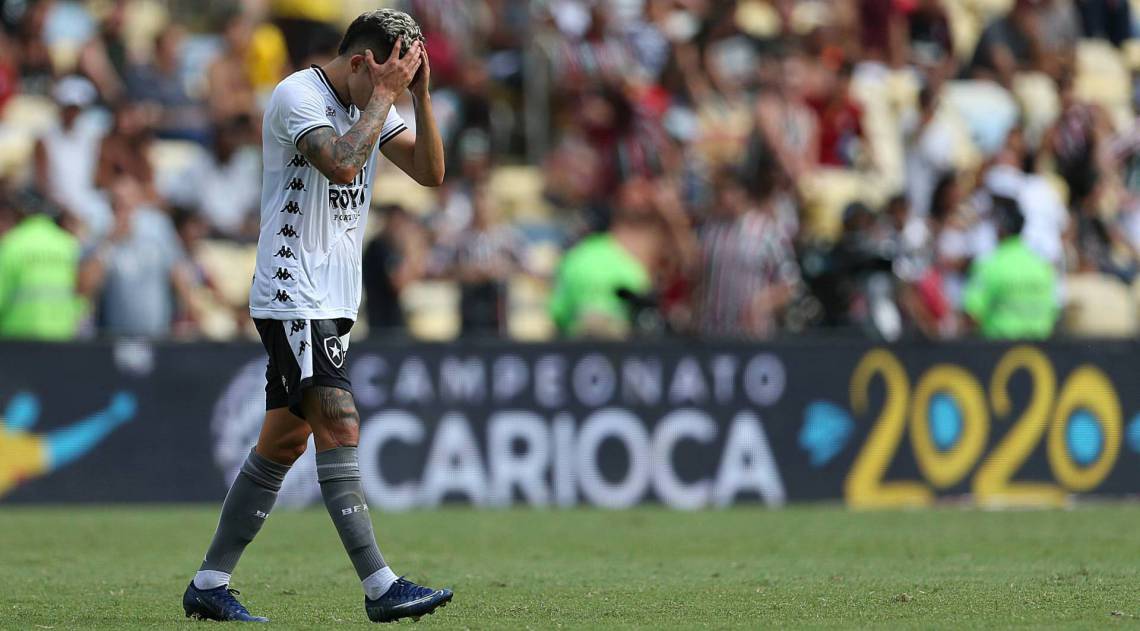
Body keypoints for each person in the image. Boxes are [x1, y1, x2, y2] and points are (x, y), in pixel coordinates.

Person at [181, 10, 450, 624]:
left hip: (332, 300)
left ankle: (209, 583)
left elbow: (431, 173)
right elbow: (344, 163)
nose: (390, 92)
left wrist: (420, 98)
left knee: (283, 441)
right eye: (386, 78)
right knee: (339, 420)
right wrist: (384, 97)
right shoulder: (297, 95)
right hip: (294, 292)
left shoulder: (371, 100)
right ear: (359, 62)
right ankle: (381, 586)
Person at [963, 196, 1059, 339]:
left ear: (1000, 228)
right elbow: (1053, 310)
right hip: (1039, 346)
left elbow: (972, 313)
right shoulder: (1042, 265)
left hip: (998, 347)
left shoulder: (989, 264)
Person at [0, 192, 83, 340]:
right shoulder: (67, 244)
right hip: (62, 335)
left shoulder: (12, 244)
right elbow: (81, 294)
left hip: (17, 337)